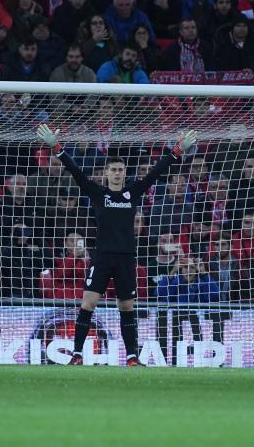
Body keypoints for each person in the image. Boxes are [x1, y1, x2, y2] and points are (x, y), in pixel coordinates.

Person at [36, 123, 197, 366]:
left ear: (124, 172)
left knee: (127, 307)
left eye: (121, 170)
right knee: (88, 303)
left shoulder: (133, 192)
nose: (117, 173)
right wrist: (56, 147)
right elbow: (75, 170)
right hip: (101, 257)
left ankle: (132, 356)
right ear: (107, 172)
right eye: (113, 170)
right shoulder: (98, 193)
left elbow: (156, 172)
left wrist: (177, 150)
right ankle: (77, 354)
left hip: (125, 258)